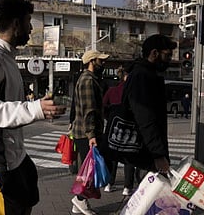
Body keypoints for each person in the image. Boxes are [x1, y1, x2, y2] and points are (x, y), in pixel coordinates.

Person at [0, 0, 66, 215]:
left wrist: (37, 107)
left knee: (28, 193)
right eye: (28, 22)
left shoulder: (6, 57)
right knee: (11, 209)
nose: (30, 29)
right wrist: (35, 109)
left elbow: (8, 103)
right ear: (16, 24)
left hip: (13, 152)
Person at [122, 34, 177, 175]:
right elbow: (145, 118)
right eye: (167, 55)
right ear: (154, 53)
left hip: (147, 149)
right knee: (151, 192)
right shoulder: (142, 76)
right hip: (146, 151)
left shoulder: (146, 73)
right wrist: (158, 154)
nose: (169, 60)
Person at [70, 49, 109, 215]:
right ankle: (79, 200)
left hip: (83, 132)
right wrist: (92, 135)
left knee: (87, 169)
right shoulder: (88, 80)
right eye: (100, 60)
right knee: (89, 170)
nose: (103, 63)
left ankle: (79, 203)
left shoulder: (89, 79)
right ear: (92, 61)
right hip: (87, 134)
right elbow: (89, 110)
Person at [102, 64, 139, 196]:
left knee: (112, 156)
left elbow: (103, 106)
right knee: (129, 156)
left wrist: (109, 117)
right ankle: (127, 187)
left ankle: (109, 183)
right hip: (130, 128)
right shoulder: (134, 92)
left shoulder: (112, 91)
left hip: (113, 127)